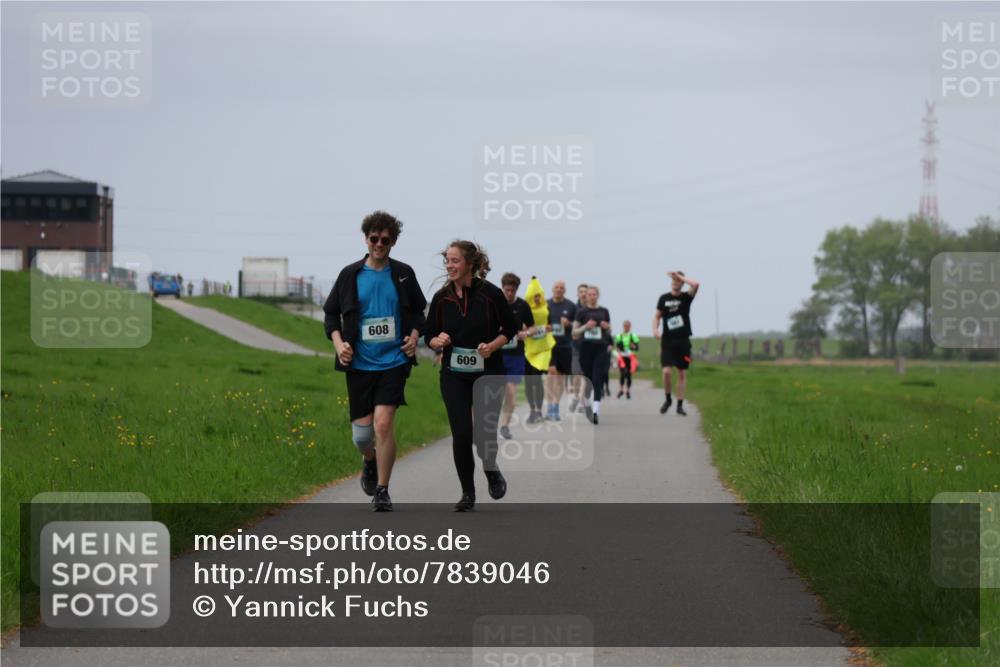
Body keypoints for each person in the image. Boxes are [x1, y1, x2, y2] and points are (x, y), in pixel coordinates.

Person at [323, 211, 426, 511]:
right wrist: (339, 343)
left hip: (394, 361)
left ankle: (383, 489)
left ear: (393, 241)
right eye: (374, 238)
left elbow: (420, 312)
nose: (380, 244)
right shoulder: (350, 275)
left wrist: (415, 335)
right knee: (362, 437)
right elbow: (331, 314)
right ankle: (369, 460)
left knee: (383, 425)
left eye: (386, 239)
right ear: (366, 239)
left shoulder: (404, 273)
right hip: (358, 364)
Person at [425, 241, 517, 512]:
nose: (450, 266)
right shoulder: (442, 298)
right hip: (453, 374)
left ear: (470, 264)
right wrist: (437, 341)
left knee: (485, 435)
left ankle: (490, 468)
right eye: (447, 261)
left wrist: (492, 347)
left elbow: (510, 328)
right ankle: (467, 492)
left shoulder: (491, 294)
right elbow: (430, 335)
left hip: (488, 372)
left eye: (455, 261)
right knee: (462, 433)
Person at [652, 271, 700, 416]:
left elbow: (696, 284)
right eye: (673, 280)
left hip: (683, 341)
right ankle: (668, 399)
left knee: (681, 373)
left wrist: (681, 277)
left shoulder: (686, 297)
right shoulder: (664, 298)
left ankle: (680, 404)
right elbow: (657, 316)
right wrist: (655, 329)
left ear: (682, 282)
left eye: (678, 280)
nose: (675, 282)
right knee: (666, 372)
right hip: (667, 340)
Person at [497, 273, 535, 439]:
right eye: (507, 290)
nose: (510, 293)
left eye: (513, 290)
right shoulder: (495, 304)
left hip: (516, 355)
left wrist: (525, 333)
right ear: (502, 288)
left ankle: (505, 426)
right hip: (496, 354)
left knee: (511, 393)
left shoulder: (522, 306)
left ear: (516, 289)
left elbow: (533, 327)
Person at [573, 285, 612, 425]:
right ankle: (587, 405)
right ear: (586, 296)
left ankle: (596, 412)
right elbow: (574, 332)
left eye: (594, 294)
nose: (591, 296)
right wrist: (585, 327)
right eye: (589, 294)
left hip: (600, 348)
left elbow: (609, 331)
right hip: (585, 348)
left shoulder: (604, 311)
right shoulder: (582, 312)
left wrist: (607, 328)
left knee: (597, 378)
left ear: (598, 295)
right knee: (588, 379)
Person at [545, 280, 576, 421]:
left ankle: (556, 407)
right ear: (552, 289)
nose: (558, 289)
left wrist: (568, 323)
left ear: (564, 290)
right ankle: (549, 406)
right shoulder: (546, 305)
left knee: (560, 378)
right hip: (549, 346)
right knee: (551, 375)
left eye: (561, 288)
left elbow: (577, 324)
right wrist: (546, 327)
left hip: (565, 346)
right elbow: (538, 323)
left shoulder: (571, 306)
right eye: (556, 287)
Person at [568, 283, 589, 413]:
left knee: (585, 376)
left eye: (585, 292)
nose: (583, 294)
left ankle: (582, 402)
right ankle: (576, 397)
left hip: (588, 347)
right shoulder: (573, 308)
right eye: (581, 291)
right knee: (576, 375)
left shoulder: (592, 309)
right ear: (578, 293)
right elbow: (569, 324)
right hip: (575, 345)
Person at [614, 320, 640, 399]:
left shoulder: (633, 336)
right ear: (623, 326)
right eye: (625, 326)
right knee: (622, 374)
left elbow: (637, 347)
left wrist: (634, 346)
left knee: (628, 374)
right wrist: (618, 349)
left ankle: (628, 391)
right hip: (622, 357)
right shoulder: (619, 336)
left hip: (630, 357)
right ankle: (621, 390)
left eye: (627, 326)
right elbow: (617, 346)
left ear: (630, 326)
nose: (626, 327)